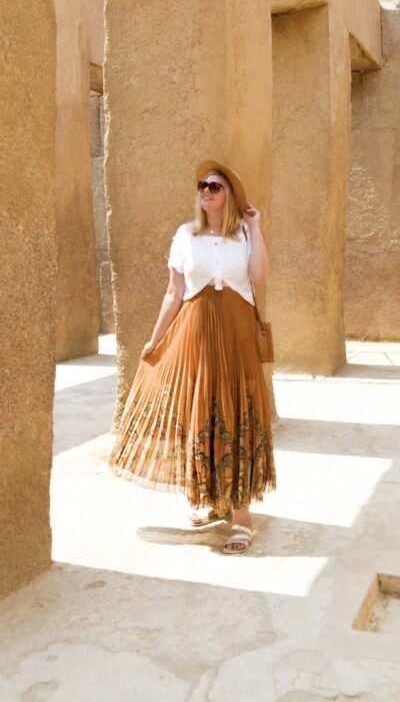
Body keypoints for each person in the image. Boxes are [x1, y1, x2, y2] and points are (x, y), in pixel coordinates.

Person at [109, 159, 276, 554]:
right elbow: (173, 292)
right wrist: (155, 339)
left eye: (214, 186)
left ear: (228, 195)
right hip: (195, 334)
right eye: (202, 185)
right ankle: (209, 497)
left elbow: (260, 276)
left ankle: (241, 514)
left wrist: (255, 226)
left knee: (238, 413)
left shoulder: (243, 235)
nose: (205, 191)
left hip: (236, 337)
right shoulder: (185, 235)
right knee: (200, 412)